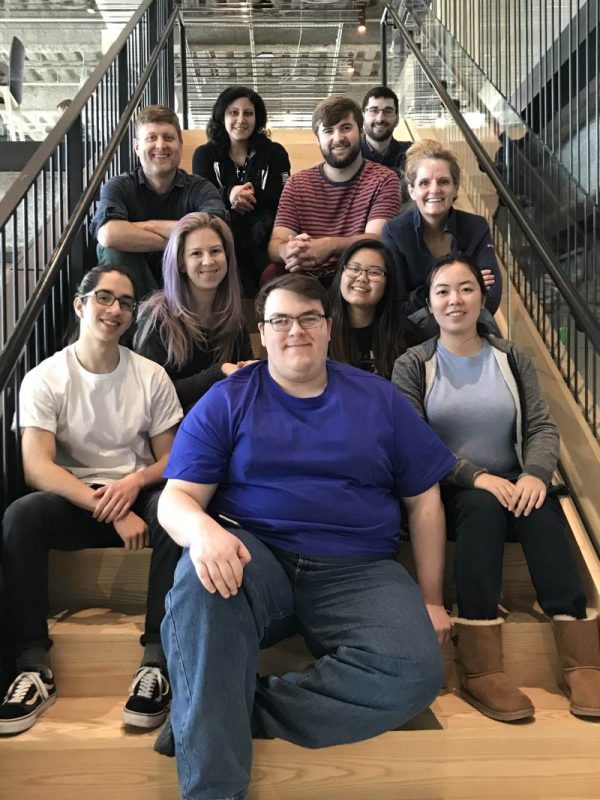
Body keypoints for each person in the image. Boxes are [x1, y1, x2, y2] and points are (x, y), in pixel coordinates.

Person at [157, 273, 456, 800]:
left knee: (414, 672)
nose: (295, 330)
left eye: (308, 318)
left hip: (359, 568)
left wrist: (431, 599)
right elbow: (176, 498)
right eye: (280, 320)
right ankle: (213, 789)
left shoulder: (379, 399)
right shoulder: (229, 399)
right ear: (262, 333)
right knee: (198, 583)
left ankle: (212, 712)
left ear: (328, 326)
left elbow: (425, 501)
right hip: (257, 556)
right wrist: (202, 530)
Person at [392, 255, 600, 722]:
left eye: (466, 289)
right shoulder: (414, 364)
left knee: (544, 511)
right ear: (429, 302)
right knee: (482, 507)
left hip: (514, 483)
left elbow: (542, 428)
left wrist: (534, 475)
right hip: (449, 488)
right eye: (443, 290)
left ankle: (583, 659)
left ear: (482, 298)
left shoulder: (511, 357)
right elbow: (415, 441)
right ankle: (481, 665)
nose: (455, 300)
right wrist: (476, 476)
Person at [0, 266, 183, 735]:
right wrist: (107, 505)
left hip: (137, 492)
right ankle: (31, 665)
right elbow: (37, 468)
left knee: (175, 511)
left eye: (126, 302)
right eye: (105, 297)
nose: (116, 309)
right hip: (76, 499)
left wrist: (132, 487)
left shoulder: (151, 376)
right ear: (80, 305)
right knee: (21, 516)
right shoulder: (45, 378)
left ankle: (156, 662)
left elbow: (170, 460)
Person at [90, 105, 227, 300]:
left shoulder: (200, 188)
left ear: (180, 144)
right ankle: (147, 322)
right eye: (151, 138)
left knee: (209, 249)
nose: (161, 145)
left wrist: (149, 226)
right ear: (137, 147)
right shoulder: (119, 186)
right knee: (112, 249)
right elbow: (108, 235)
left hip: (186, 286)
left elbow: (217, 228)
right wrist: (182, 241)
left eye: (168, 138)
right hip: (134, 290)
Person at [265, 96, 401, 286]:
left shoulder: (384, 179)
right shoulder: (297, 183)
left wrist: (328, 246)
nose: (338, 138)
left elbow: (377, 240)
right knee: (271, 273)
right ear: (318, 141)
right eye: (328, 131)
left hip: (357, 278)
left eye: (346, 128)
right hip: (306, 281)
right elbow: (275, 243)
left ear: (360, 132)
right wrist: (287, 250)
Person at [134, 212, 254, 414]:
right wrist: (219, 372)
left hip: (223, 424)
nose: (208, 261)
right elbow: (151, 395)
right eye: (196, 253)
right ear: (181, 263)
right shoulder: (157, 318)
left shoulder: (234, 320)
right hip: (172, 432)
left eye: (215, 251)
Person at [381, 139, 502, 326]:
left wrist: (421, 294)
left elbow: (491, 295)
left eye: (443, 181)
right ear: (412, 191)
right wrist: (465, 285)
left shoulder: (476, 226)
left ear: (455, 188)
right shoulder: (394, 232)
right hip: (413, 335)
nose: (434, 189)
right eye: (424, 183)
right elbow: (396, 305)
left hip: (470, 329)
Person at [192, 86, 291, 297]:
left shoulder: (275, 153)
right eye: (233, 113)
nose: (241, 119)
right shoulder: (204, 154)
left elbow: (283, 197)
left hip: (265, 239)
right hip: (222, 240)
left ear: (258, 118)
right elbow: (200, 196)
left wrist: (248, 193)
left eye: (248, 113)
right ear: (221, 117)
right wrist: (229, 193)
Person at [328, 238, 425, 378]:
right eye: (354, 269)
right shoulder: (320, 329)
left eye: (374, 272)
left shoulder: (407, 336)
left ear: (388, 283)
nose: (362, 278)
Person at [360, 86, 412, 178]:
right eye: (373, 111)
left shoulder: (411, 154)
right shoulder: (351, 153)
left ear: (397, 119)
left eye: (388, 111)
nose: (380, 119)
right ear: (363, 118)